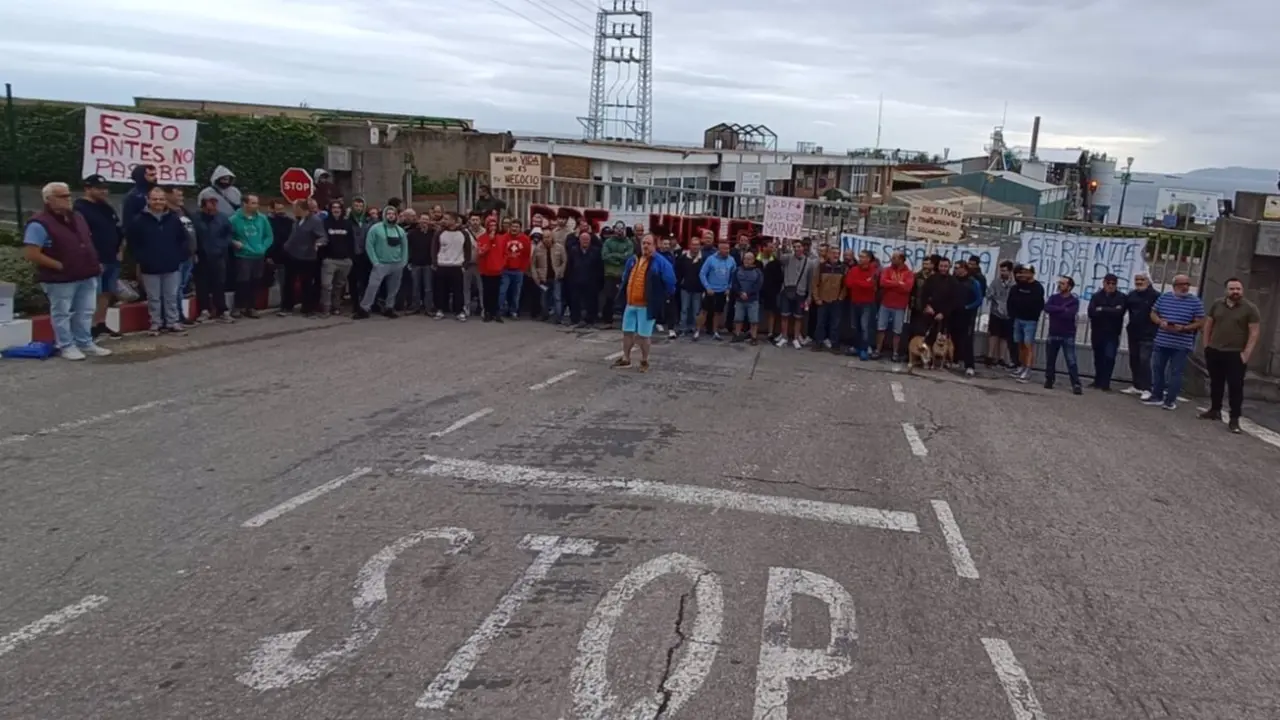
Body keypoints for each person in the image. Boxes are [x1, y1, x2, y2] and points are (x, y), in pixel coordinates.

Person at [22, 182, 111, 359]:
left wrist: (94, 262)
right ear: (49, 200)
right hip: (60, 278)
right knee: (62, 313)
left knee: (85, 311)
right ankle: (66, 345)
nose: (68, 199)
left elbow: (86, 241)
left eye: (68, 195)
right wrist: (59, 265)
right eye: (62, 196)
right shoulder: (39, 223)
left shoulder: (77, 217)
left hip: (86, 273)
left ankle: (85, 342)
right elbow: (31, 253)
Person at [1199, 278, 1261, 433]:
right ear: (1226, 290)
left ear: (1242, 290)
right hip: (1215, 351)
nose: (1235, 292)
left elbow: (1254, 333)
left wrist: (1246, 354)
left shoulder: (1250, 309)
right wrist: (1207, 345)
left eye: (1238, 289)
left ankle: (1234, 419)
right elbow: (1208, 325)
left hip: (1235, 354)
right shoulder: (1217, 304)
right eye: (1232, 289)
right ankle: (1215, 410)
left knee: (1235, 387)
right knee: (1216, 382)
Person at [128, 187, 191, 335]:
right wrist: (142, 259)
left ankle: (172, 322)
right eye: (155, 199)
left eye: (161, 199)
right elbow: (133, 243)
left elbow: (182, 239)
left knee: (171, 296)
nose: (158, 202)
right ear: (148, 200)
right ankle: (156, 324)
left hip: (171, 265)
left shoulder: (174, 219)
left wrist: (179, 256)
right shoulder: (139, 220)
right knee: (153, 298)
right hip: (149, 266)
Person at [612, 234, 676, 372]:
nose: (645, 246)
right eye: (643, 243)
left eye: (648, 243)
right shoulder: (633, 259)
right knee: (627, 332)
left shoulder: (661, 262)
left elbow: (670, 281)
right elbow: (626, 276)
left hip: (646, 305)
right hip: (630, 303)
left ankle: (644, 361)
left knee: (643, 335)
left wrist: (663, 297)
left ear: (655, 245)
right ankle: (626, 358)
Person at [74, 174, 124, 340]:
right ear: (87, 189)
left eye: (105, 188)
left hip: (112, 256)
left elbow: (117, 227)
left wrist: (120, 248)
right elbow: (82, 235)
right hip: (95, 258)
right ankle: (88, 327)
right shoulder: (80, 208)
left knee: (107, 292)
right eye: (99, 188)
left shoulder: (106, 207)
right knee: (92, 294)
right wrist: (92, 257)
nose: (104, 192)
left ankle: (100, 323)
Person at [1144, 274, 1205, 410]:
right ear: (1174, 285)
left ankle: (1170, 400)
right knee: (1157, 369)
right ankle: (1156, 396)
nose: (1185, 287)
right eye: (1182, 284)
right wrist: (1160, 322)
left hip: (1181, 344)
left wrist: (1184, 328)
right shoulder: (1164, 298)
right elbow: (1153, 313)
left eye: (1187, 284)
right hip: (1162, 340)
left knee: (1176, 373)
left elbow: (1200, 321)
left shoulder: (1195, 302)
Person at [356, 206, 408, 319]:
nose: (391, 216)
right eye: (388, 213)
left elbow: (405, 247)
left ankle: (389, 307)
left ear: (396, 216)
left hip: (397, 264)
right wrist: (375, 261)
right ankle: (364, 308)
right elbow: (369, 245)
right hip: (381, 264)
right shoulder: (375, 228)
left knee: (393, 288)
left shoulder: (400, 230)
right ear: (384, 215)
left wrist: (403, 262)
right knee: (372, 286)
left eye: (393, 214)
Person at [227, 194, 272, 319]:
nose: (256, 206)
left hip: (259, 255)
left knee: (255, 281)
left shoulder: (262, 219)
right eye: (253, 203)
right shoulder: (234, 219)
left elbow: (269, 236)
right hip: (243, 255)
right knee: (242, 281)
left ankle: (251, 307)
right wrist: (234, 242)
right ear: (244, 204)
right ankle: (238, 306)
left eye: (256, 203)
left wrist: (263, 247)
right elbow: (227, 236)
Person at [280, 199, 325, 318]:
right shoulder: (297, 220)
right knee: (289, 282)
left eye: (295, 208)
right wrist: (286, 246)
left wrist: (318, 243)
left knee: (306, 283)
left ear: (301, 209)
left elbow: (322, 236)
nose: (293, 211)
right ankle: (287, 306)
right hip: (292, 254)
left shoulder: (315, 221)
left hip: (307, 256)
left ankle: (307, 308)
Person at [193, 196, 233, 323]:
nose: (214, 207)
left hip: (218, 256)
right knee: (202, 285)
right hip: (202, 256)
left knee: (219, 284)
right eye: (211, 204)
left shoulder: (223, 217)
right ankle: (204, 310)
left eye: (215, 204)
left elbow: (229, 233)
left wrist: (222, 245)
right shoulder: (195, 218)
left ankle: (222, 310)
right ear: (203, 206)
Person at [1042, 276, 1083, 394]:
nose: (1060, 285)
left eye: (1063, 284)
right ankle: (1049, 379)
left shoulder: (1073, 300)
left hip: (1067, 334)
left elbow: (1069, 314)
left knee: (1071, 360)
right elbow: (1047, 308)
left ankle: (1076, 383)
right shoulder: (1054, 298)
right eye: (1059, 283)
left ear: (1069, 287)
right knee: (1050, 359)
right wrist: (1061, 309)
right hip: (1053, 332)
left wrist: (1057, 310)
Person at [1086, 273, 1126, 391]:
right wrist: (1110, 310)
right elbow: (1091, 312)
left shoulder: (1121, 297)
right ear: (1104, 283)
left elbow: (1119, 312)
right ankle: (1098, 380)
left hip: (1112, 333)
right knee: (1098, 357)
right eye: (1108, 283)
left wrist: (1102, 309)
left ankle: (1106, 382)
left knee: (1109, 357)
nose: (1110, 286)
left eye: (1113, 283)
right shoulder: (1096, 296)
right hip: (1098, 331)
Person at [1006, 265, 1045, 382]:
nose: (1023, 275)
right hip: (1018, 319)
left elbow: (1038, 304)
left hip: (1030, 320)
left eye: (1026, 273)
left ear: (1032, 274)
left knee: (1028, 346)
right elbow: (1011, 301)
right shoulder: (1017, 287)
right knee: (1020, 344)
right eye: (1022, 273)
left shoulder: (1037, 287)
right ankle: (1021, 366)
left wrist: (1033, 314)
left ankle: (1028, 370)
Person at [431, 211, 472, 321]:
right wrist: (435, 262)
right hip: (442, 265)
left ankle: (459, 311)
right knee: (440, 290)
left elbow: (467, 250)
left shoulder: (463, 233)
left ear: (453, 220)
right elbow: (434, 248)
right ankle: (440, 309)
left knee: (458, 290)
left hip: (457, 266)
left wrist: (465, 264)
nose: (444, 220)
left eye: (446, 218)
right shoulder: (439, 233)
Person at [1123, 273, 1160, 395]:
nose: (1139, 282)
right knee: (1134, 359)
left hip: (1149, 333)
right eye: (1137, 280)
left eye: (1142, 279)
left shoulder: (1156, 296)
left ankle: (1147, 388)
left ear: (1148, 281)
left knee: (1144, 360)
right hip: (1133, 332)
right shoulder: (1132, 295)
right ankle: (1137, 385)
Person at [774, 240, 815, 349]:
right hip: (787, 290)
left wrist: (810, 295)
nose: (797, 249)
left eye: (799, 246)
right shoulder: (788, 258)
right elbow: (779, 257)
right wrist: (780, 246)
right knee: (784, 315)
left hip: (801, 293)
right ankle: (784, 337)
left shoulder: (809, 262)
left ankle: (796, 338)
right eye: (795, 247)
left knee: (798, 317)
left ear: (803, 248)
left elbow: (811, 280)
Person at [165, 186, 198, 313]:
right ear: (168, 195)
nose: (181, 198)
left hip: (188, 255)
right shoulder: (167, 213)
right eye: (178, 195)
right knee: (174, 288)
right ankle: (175, 315)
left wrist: (194, 251)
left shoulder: (183, 211)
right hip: (176, 256)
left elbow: (192, 232)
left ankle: (178, 314)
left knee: (181, 286)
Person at [320, 200, 356, 316]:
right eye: (334, 207)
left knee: (339, 286)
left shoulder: (347, 224)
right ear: (330, 209)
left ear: (342, 210)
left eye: (338, 208)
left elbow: (352, 242)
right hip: (329, 260)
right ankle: (326, 308)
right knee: (326, 285)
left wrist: (350, 258)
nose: (336, 210)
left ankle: (336, 307)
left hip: (345, 260)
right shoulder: (324, 223)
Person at [809, 245, 845, 352]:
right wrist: (816, 298)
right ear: (828, 254)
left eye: (838, 254)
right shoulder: (821, 267)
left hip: (836, 301)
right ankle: (818, 343)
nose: (836, 255)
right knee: (820, 323)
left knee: (835, 324)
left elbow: (845, 286)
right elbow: (815, 283)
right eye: (834, 253)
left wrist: (840, 297)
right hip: (823, 300)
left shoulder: (842, 268)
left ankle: (835, 345)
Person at [844, 250, 878, 359]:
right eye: (860, 256)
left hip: (867, 303)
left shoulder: (873, 271)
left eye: (863, 257)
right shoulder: (854, 270)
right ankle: (856, 346)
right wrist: (862, 282)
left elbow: (870, 285)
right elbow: (848, 283)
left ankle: (864, 348)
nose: (860, 259)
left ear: (868, 259)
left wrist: (857, 282)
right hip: (855, 302)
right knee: (855, 326)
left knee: (865, 327)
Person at [699, 239, 737, 340]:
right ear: (719, 249)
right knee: (704, 311)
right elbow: (702, 273)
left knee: (718, 312)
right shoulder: (710, 259)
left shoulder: (731, 260)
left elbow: (734, 276)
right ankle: (697, 331)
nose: (727, 250)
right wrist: (707, 287)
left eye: (728, 248)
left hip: (723, 290)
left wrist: (729, 287)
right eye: (724, 249)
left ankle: (715, 332)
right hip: (711, 290)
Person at [566, 229, 603, 326]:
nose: (585, 241)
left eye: (587, 239)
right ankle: (575, 319)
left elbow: (600, 267)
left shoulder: (596, 251)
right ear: (579, 240)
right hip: (576, 280)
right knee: (575, 301)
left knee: (591, 301)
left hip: (591, 281)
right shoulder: (573, 250)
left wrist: (598, 281)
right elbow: (569, 267)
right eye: (583, 239)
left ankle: (590, 319)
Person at [950, 262, 983, 376]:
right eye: (955, 268)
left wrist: (967, 307)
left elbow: (979, 299)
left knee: (967, 340)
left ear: (964, 269)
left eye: (957, 268)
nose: (955, 270)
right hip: (954, 314)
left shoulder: (973, 282)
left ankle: (969, 365)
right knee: (954, 337)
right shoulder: (953, 280)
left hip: (967, 315)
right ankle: (954, 360)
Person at [530, 228, 566, 323]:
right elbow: (533, 265)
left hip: (556, 278)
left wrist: (560, 272)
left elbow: (564, 261)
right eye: (545, 237)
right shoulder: (538, 249)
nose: (547, 239)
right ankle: (544, 315)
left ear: (552, 237)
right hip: (543, 279)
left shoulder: (559, 247)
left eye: (548, 237)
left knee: (557, 298)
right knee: (544, 299)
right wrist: (536, 278)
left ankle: (558, 318)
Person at [600, 229, 635, 328]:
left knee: (625, 299)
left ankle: (626, 322)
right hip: (610, 274)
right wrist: (619, 259)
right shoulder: (608, 242)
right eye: (617, 229)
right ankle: (608, 321)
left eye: (621, 230)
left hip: (623, 274)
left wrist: (614, 255)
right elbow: (605, 256)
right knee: (609, 298)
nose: (619, 232)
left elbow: (628, 256)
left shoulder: (629, 243)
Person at [475, 216, 507, 323]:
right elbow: (481, 252)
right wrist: (490, 240)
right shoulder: (482, 238)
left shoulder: (501, 238)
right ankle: (487, 312)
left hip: (497, 270)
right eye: (490, 225)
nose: (493, 227)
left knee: (496, 292)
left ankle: (495, 312)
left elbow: (504, 253)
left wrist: (502, 264)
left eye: (494, 225)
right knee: (487, 292)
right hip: (486, 270)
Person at [984, 260, 1014, 367]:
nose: (1002, 273)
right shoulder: (995, 282)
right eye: (1001, 270)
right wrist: (992, 295)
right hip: (995, 312)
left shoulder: (1013, 284)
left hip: (1008, 314)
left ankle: (1001, 357)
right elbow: (988, 294)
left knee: (1004, 337)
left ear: (1010, 272)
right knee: (994, 334)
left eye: (1005, 271)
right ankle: (990, 356)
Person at [499, 220, 532, 319]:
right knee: (502, 291)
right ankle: (499, 310)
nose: (514, 228)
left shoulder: (525, 239)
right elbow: (499, 253)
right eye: (512, 226)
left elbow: (527, 255)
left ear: (520, 228)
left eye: (516, 227)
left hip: (518, 271)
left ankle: (513, 311)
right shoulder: (503, 238)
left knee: (516, 293)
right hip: (505, 270)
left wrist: (523, 268)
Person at [675, 235, 706, 340]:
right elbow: (678, 271)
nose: (695, 247)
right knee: (684, 309)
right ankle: (683, 328)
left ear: (700, 246)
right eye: (693, 244)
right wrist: (680, 282)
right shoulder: (683, 257)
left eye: (697, 245)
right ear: (690, 245)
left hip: (698, 289)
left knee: (696, 310)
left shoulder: (703, 258)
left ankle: (694, 328)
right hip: (685, 288)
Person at [731, 251, 764, 345]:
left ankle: (754, 337)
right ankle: (737, 335)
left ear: (753, 260)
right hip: (739, 299)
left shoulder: (758, 272)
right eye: (745, 258)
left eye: (749, 259)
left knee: (754, 320)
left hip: (753, 300)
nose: (747, 261)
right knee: (738, 318)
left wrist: (748, 294)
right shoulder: (737, 270)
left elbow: (758, 285)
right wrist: (740, 293)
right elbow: (734, 283)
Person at [406, 213, 436, 314]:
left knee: (428, 288)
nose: (424, 222)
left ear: (429, 221)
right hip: (415, 263)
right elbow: (408, 248)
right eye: (422, 219)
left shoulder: (433, 233)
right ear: (419, 221)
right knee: (415, 287)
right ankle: (415, 307)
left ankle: (428, 307)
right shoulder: (412, 233)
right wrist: (409, 261)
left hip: (428, 264)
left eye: (426, 220)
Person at [121, 164, 156, 228]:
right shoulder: (133, 196)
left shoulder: (154, 193)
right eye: (151, 175)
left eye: (155, 174)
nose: (155, 178)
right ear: (142, 176)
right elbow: (128, 221)